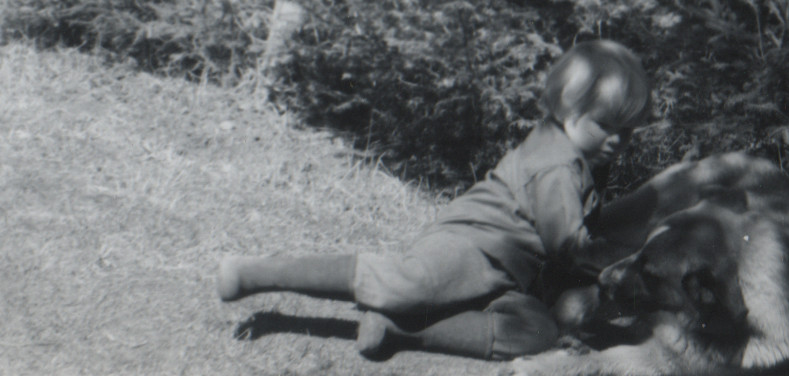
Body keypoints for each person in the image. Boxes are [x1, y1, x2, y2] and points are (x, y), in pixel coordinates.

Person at [216, 39, 652, 360]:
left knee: (536, 333)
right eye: (604, 126)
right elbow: (570, 247)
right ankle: (255, 272)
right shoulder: (557, 166)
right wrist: (627, 261)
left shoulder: (585, 158)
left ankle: (400, 332)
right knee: (406, 284)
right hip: (473, 246)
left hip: (507, 275)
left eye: (627, 130)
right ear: (567, 110)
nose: (616, 140)